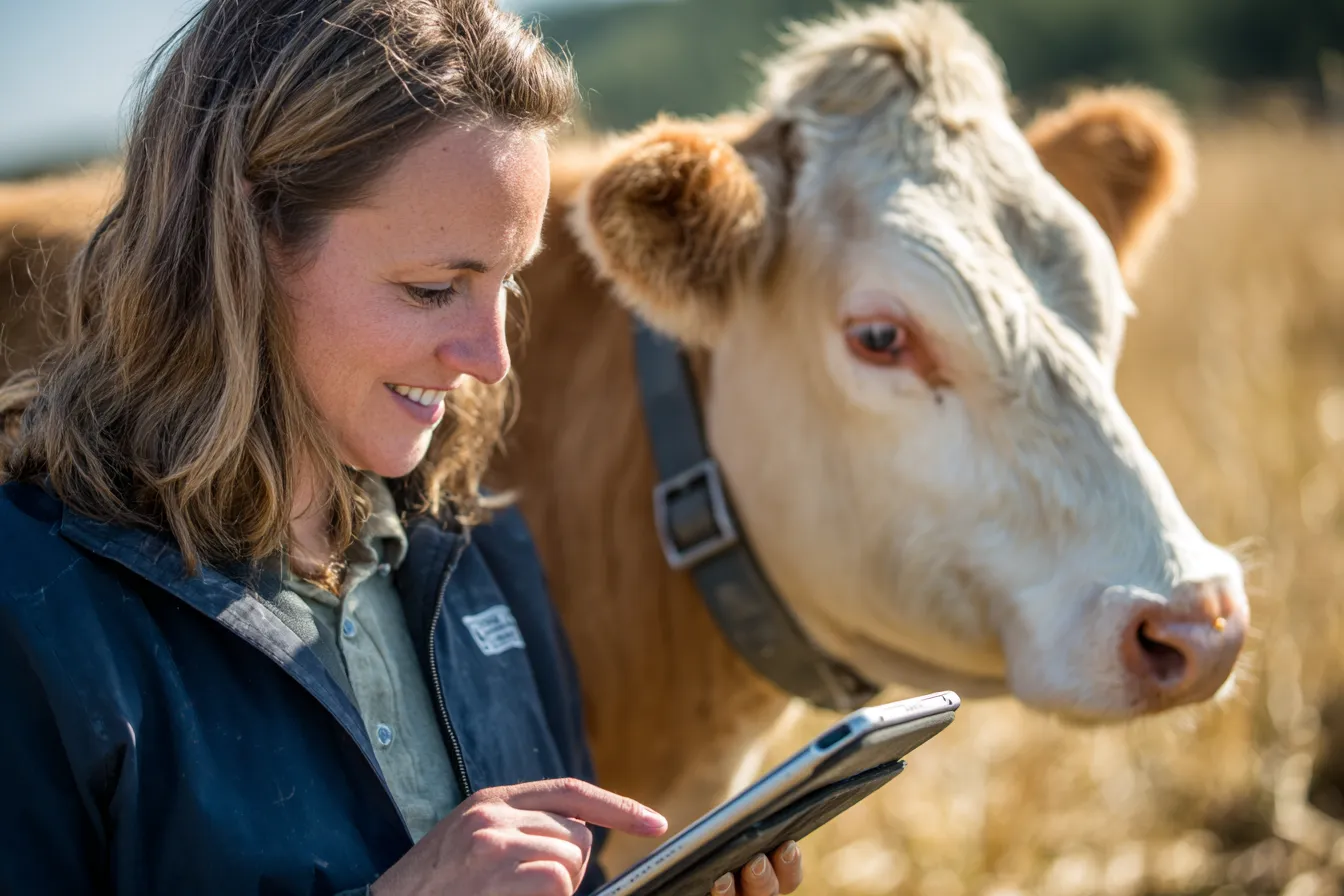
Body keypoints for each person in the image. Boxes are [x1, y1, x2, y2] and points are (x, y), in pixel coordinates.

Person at [0, 1, 806, 894]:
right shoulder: (28, 607)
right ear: (244, 239)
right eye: (432, 289)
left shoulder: (476, 545)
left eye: (507, 281)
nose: (492, 360)